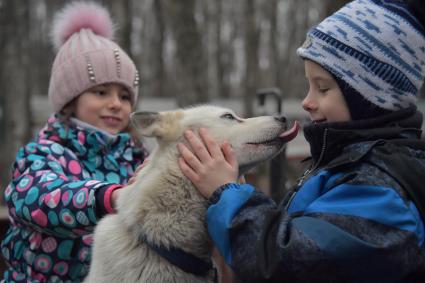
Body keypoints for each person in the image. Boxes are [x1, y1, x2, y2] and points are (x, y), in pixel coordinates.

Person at [177, 0, 425, 282]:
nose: (307, 102)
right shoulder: (347, 163)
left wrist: (227, 194)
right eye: (309, 86)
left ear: (371, 98)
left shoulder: (385, 196)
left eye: (323, 88)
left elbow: (283, 262)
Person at [0, 2, 147, 282]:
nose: (115, 104)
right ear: (70, 99)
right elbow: (39, 198)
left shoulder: (136, 159)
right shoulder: (41, 154)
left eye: (125, 96)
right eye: (101, 92)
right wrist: (106, 197)